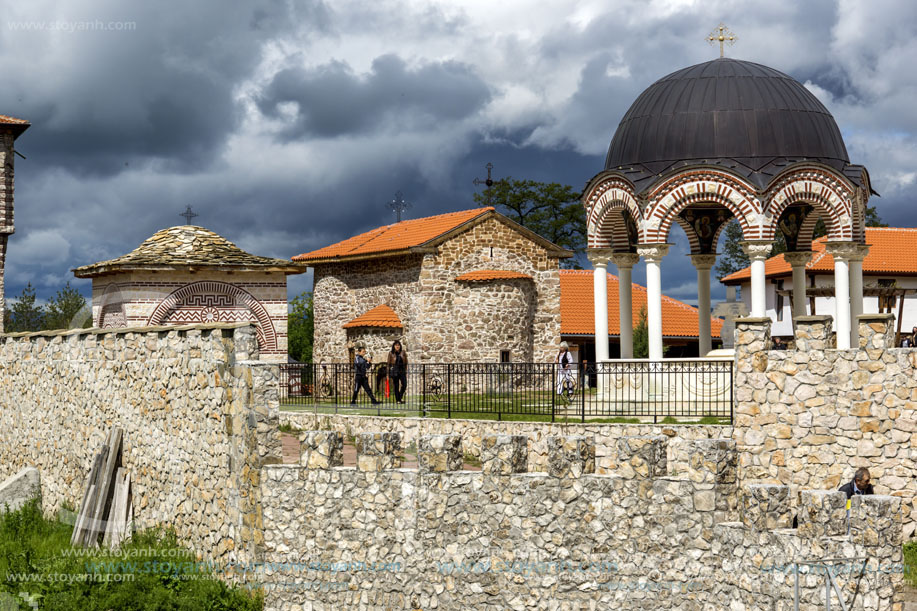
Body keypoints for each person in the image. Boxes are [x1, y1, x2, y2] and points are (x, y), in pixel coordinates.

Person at [387, 340, 409, 404]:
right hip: (395, 371)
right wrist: (387, 374)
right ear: (394, 346)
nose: (397, 346)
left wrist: (405, 370)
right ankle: (398, 400)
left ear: (400, 346)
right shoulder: (391, 353)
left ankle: (399, 396)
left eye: (398, 345)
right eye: (396, 345)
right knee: (396, 386)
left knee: (404, 385)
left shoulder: (403, 352)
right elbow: (388, 364)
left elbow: (406, 362)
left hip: (402, 371)